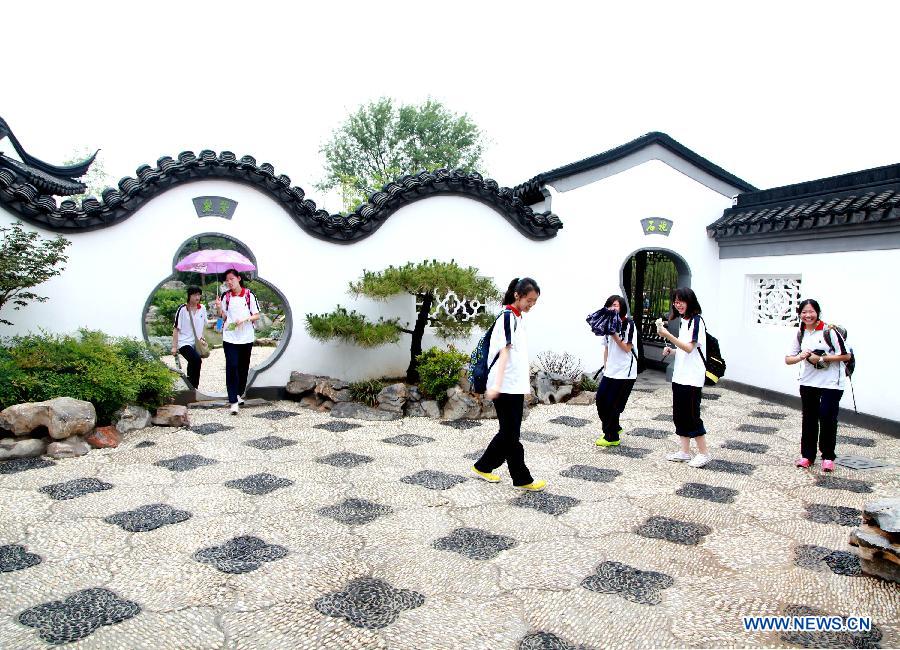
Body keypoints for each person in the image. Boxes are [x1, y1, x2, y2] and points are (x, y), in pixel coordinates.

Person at [472, 277, 546, 491]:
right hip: (503, 385)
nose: (531, 305)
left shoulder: (517, 317)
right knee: (511, 434)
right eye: (529, 300)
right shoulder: (507, 317)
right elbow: (503, 352)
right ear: (517, 295)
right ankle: (522, 478)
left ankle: (483, 466)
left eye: (534, 301)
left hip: (512, 385)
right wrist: (495, 386)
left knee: (509, 433)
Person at [784, 299, 851, 471]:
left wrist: (821, 358)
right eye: (804, 312)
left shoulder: (830, 331)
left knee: (827, 418)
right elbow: (788, 359)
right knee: (809, 419)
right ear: (799, 314)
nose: (807, 315)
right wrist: (801, 356)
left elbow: (846, 356)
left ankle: (828, 457)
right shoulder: (800, 333)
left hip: (831, 384)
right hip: (808, 382)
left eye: (811, 311)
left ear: (818, 312)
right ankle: (807, 456)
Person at [656, 287, 711, 467]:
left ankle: (704, 453)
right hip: (680, 376)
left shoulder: (697, 321)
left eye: (681, 301)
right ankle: (685, 452)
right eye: (675, 301)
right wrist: (672, 350)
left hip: (692, 378)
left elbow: (690, 347)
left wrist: (668, 335)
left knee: (692, 416)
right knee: (679, 415)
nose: (677, 305)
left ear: (690, 301)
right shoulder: (684, 321)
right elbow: (684, 349)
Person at [594, 294, 638, 447]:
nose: (613, 308)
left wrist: (614, 334)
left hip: (625, 372)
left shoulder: (628, 325)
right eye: (611, 305)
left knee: (612, 404)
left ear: (622, 308)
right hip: (611, 371)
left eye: (616, 305)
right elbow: (606, 348)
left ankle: (611, 437)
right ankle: (615, 427)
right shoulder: (607, 324)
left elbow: (626, 348)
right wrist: (606, 366)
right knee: (600, 400)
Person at [216, 269, 260, 414]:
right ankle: (233, 401)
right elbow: (223, 317)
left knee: (242, 368)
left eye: (231, 279)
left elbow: (256, 315)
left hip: (246, 337)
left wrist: (244, 319)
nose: (229, 282)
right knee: (232, 366)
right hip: (229, 337)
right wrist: (218, 308)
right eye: (227, 280)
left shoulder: (249, 295)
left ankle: (238, 394)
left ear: (239, 278)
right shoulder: (225, 296)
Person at [171, 286, 208, 389]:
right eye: (195, 294)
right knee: (196, 360)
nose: (197, 297)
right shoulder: (182, 309)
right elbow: (176, 328)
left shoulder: (203, 308)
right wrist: (174, 346)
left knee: (194, 362)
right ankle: (192, 386)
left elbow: (204, 325)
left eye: (199, 294)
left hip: (196, 343)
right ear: (189, 295)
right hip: (184, 342)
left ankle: (192, 387)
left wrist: (203, 338)